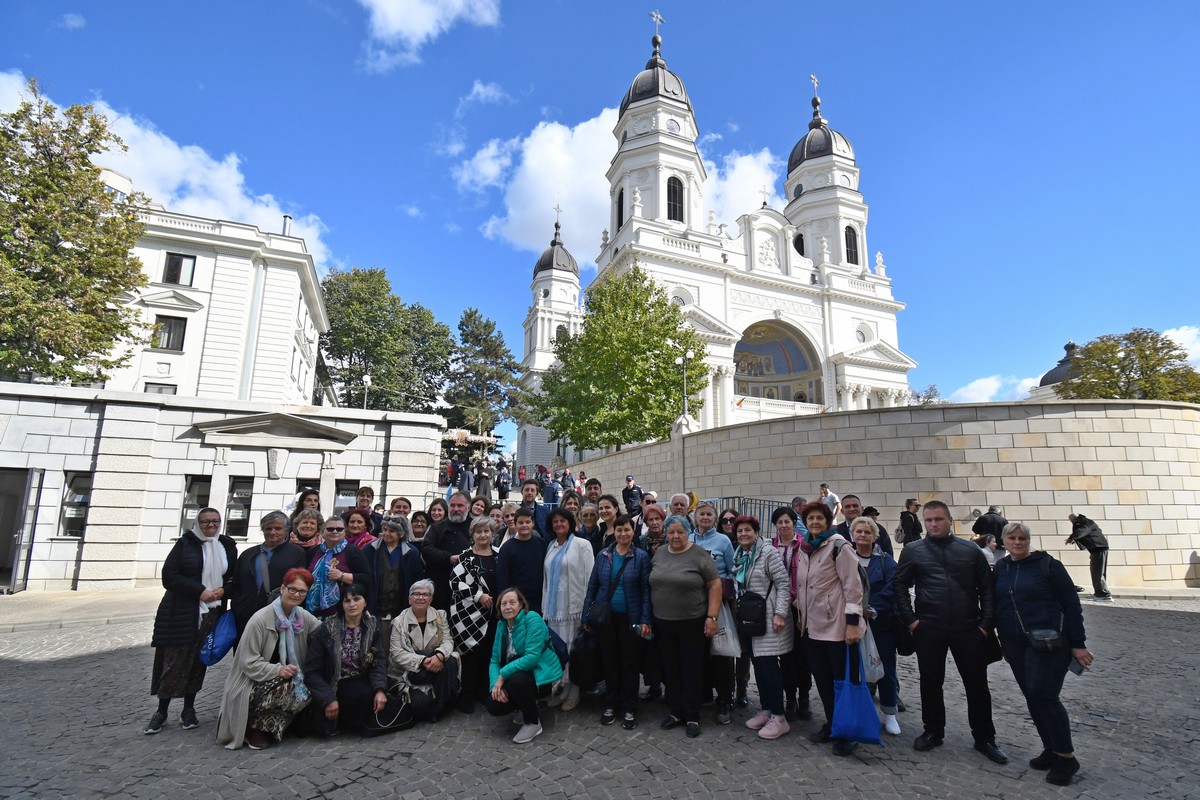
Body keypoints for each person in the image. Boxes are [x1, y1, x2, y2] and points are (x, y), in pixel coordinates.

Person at [894, 500, 1007, 764]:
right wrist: (911, 620)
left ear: (950, 521)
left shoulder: (971, 550)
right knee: (930, 682)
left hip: (968, 628)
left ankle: (984, 737)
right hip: (929, 627)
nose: (934, 524)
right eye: (929, 520)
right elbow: (899, 585)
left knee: (977, 686)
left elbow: (986, 589)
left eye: (939, 519)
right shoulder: (913, 550)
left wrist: (985, 624)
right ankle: (933, 731)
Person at [995, 522, 1093, 786]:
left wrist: (1078, 642)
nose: (1017, 542)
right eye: (1012, 538)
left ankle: (1066, 756)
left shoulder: (1048, 565)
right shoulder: (1002, 568)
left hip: (1049, 642)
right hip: (1016, 644)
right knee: (1032, 696)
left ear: (1028, 540)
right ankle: (1050, 748)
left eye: (1022, 538)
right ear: (1004, 541)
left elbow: (1071, 604)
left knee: (1044, 695)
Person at [144, 507, 238, 735]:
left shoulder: (226, 545)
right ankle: (161, 711)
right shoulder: (185, 543)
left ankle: (189, 709)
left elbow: (233, 577)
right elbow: (170, 576)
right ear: (198, 523)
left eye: (215, 522)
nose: (211, 526)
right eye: (206, 522)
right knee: (173, 661)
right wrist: (200, 591)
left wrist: (224, 591)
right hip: (183, 611)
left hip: (213, 612)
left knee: (198, 661)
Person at [216, 568, 321, 750]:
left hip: (287, 674)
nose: (296, 594)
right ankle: (255, 726)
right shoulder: (260, 620)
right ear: (282, 589)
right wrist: (278, 669)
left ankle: (277, 725)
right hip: (252, 680)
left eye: (302, 591)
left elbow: (322, 631)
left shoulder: (300, 615)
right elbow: (248, 662)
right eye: (292, 589)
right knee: (286, 685)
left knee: (308, 686)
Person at [794, 501, 865, 757]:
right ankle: (834, 724)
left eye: (819, 518)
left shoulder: (839, 546)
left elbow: (853, 588)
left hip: (836, 626)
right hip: (811, 627)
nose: (815, 522)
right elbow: (803, 586)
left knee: (841, 682)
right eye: (810, 518)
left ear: (827, 521)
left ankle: (847, 731)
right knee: (823, 681)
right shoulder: (805, 548)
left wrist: (853, 625)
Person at [650, 514, 722, 739]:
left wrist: (712, 616)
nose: (675, 536)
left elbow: (715, 584)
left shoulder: (699, 555)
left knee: (692, 668)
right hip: (663, 621)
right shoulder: (660, 553)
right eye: (671, 532)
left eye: (680, 532)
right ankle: (676, 712)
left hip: (692, 621)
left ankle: (692, 715)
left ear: (689, 532)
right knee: (670, 668)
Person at [582, 514, 652, 730]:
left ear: (633, 532)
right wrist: (586, 614)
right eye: (619, 530)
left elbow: (645, 591)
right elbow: (592, 586)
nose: (623, 533)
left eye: (627, 530)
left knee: (629, 663)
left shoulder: (640, 557)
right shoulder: (604, 554)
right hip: (606, 619)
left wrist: (645, 620)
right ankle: (611, 703)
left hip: (630, 618)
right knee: (609, 662)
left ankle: (630, 706)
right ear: (615, 532)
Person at [732, 515, 794, 740]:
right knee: (759, 666)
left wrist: (780, 614)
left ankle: (779, 717)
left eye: (748, 530)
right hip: (751, 619)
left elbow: (783, 583)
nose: (743, 534)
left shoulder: (768, 552)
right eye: (739, 531)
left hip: (769, 619)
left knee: (769, 668)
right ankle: (767, 710)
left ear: (756, 532)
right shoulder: (741, 554)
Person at [304, 583, 388, 736]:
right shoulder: (328, 629)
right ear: (341, 604)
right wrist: (328, 698)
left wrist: (380, 689)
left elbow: (379, 660)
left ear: (365, 602)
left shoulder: (371, 626)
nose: (352, 604)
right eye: (347, 601)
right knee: (364, 695)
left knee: (386, 692)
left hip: (361, 677)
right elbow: (311, 671)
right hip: (335, 681)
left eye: (356, 599)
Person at [486, 587, 564, 744]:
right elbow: (494, 660)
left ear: (521, 604)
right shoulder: (501, 626)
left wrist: (502, 675)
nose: (507, 606)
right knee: (493, 704)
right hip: (521, 675)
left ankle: (533, 722)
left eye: (512, 602)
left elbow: (532, 658)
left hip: (544, 675)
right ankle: (525, 705)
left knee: (516, 681)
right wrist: (495, 686)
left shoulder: (532, 619)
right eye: (503, 604)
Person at [850, 515, 901, 735]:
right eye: (859, 531)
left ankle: (890, 713)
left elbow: (893, 587)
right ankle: (860, 710)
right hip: (851, 622)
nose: (862, 535)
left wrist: (872, 609)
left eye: (867, 532)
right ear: (853, 534)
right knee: (854, 669)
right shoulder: (846, 556)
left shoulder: (885, 560)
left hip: (880, 623)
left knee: (886, 668)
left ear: (874, 536)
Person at [542, 507, 595, 712]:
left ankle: (575, 690)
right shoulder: (551, 546)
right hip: (555, 607)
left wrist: (587, 608)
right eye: (555, 522)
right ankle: (563, 688)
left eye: (563, 521)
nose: (559, 524)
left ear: (570, 523)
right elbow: (546, 579)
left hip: (574, 606)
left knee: (574, 648)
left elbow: (590, 577)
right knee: (560, 649)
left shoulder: (582, 545)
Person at [388, 579, 461, 722]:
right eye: (416, 594)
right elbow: (397, 653)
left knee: (450, 660)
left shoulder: (440, 616)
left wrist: (439, 656)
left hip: (437, 667)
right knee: (442, 664)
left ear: (431, 599)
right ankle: (444, 703)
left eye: (425, 594)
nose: (421, 597)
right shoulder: (398, 622)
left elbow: (448, 640)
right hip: (411, 671)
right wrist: (424, 660)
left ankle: (435, 710)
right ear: (409, 599)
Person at [690, 501, 736, 726]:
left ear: (715, 519)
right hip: (692, 604)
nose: (705, 517)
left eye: (709, 514)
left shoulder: (723, 540)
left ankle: (725, 699)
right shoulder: (689, 539)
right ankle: (703, 693)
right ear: (695, 518)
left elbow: (731, 568)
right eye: (702, 514)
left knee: (721, 654)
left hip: (717, 604)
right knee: (698, 651)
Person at [231, 511, 307, 639]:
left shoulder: (297, 554)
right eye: (268, 528)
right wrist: (238, 607)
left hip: (279, 617)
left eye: (278, 528)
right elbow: (236, 584)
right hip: (245, 617)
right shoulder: (248, 554)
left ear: (287, 530)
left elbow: (301, 585)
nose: (273, 532)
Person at [450, 516, 499, 713]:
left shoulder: (498, 554)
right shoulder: (465, 557)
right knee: (470, 654)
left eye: (486, 531)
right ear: (472, 534)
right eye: (478, 531)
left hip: (493, 612)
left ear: (493, 533)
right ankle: (466, 695)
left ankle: (482, 691)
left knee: (489, 652)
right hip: (468, 613)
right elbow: (455, 583)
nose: (483, 535)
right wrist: (478, 596)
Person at [769, 506, 813, 722]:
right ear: (775, 525)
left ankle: (804, 696)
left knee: (802, 655)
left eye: (787, 521)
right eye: (780, 522)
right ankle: (790, 698)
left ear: (794, 523)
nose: (784, 525)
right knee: (785, 655)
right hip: (779, 607)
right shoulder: (770, 547)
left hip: (800, 607)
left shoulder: (804, 545)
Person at [364, 516, 426, 643]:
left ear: (401, 534)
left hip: (400, 606)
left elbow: (417, 579)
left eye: (391, 531)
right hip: (376, 605)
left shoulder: (411, 552)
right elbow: (364, 576)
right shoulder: (371, 549)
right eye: (385, 530)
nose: (386, 533)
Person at [306, 515, 371, 618]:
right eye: (330, 529)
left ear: (345, 532)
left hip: (343, 611)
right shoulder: (314, 551)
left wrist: (342, 576)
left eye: (339, 529)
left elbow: (366, 578)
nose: (334, 531)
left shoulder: (353, 551)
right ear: (323, 531)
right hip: (313, 611)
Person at [422, 492, 473, 611]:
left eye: (460, 506)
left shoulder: (475, 527)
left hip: (467, 589)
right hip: (440, 588)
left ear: (469, 507)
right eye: (452, 505)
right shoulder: (437, 527)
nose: (455, 509)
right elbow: (426, 550)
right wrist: (448, 558)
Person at [496, 507, 548, 612]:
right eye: (520, 522)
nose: (524, 525)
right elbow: (502, 577)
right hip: (516, 600)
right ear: (515, 524)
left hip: (538, 599)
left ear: (533, 523)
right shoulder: (507, 548)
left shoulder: (541, 544)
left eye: (527, 522)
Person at [1066, 513, 1111, 600]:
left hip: (1098, 548)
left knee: (1097, 572)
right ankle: (1100, 592)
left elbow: (1082, 531)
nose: (1072, 522)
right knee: (1097, 571)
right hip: (1097, 549)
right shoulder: (1084, 522)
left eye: (1072, 520)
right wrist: (1074, 539)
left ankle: (1102, 594)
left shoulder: (1086, 522)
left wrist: (1072, 537)